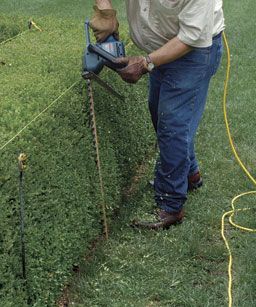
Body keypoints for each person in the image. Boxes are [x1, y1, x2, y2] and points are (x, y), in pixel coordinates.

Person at [90, 0, 225, 229]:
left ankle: (170, 205)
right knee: (160, 114)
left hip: (194, 52)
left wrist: (145, 63)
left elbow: (191, 37)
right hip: (160, 49)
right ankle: (190, 175)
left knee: (173, 124)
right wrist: (106, 14)